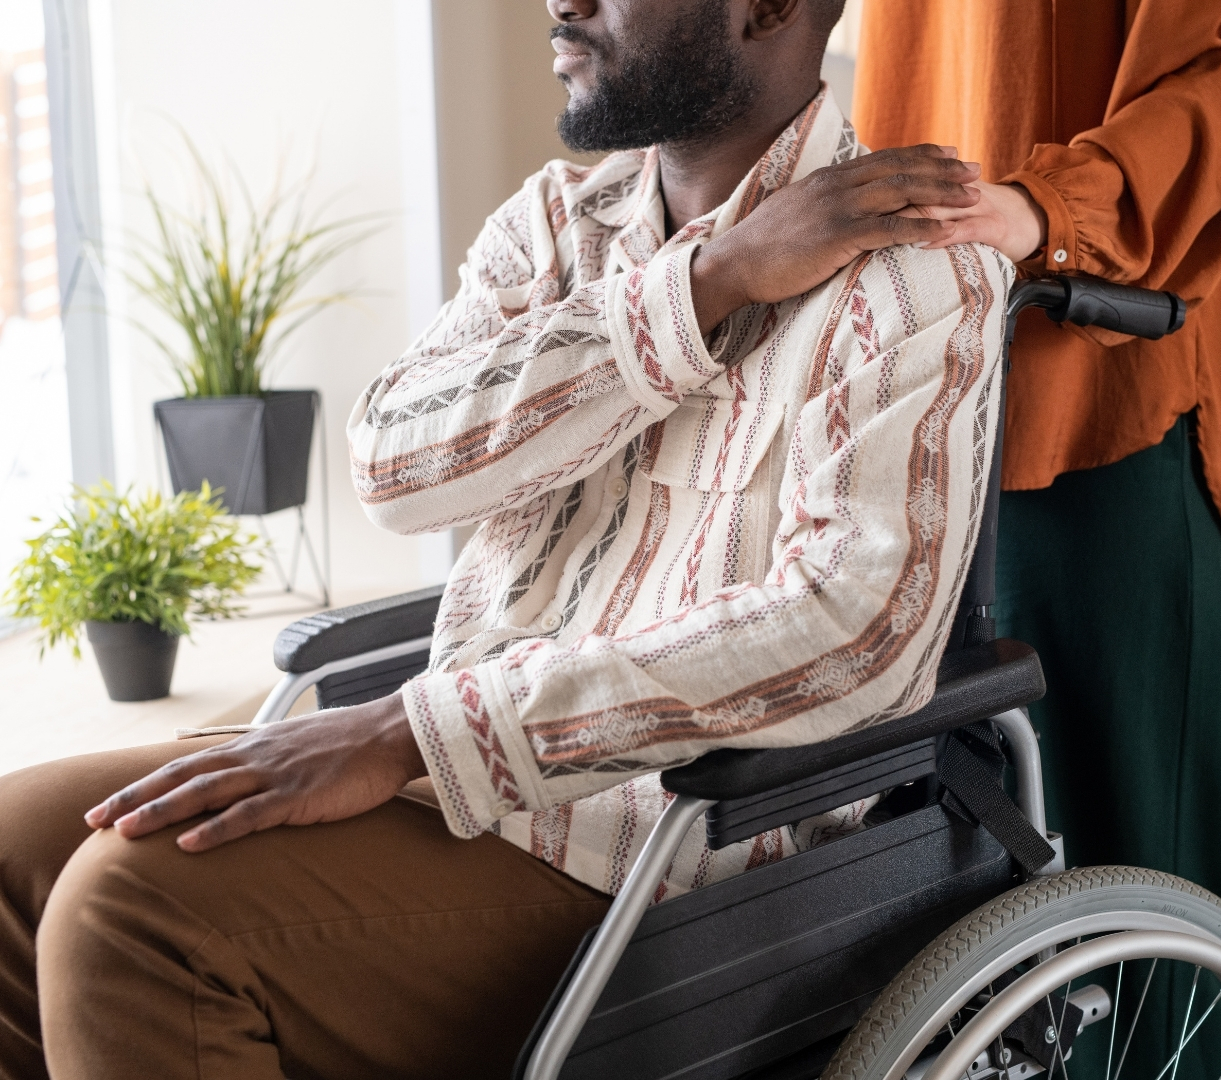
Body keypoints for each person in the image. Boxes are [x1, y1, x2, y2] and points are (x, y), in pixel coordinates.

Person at [0, 2, 1012, 1077]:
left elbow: (854, 629)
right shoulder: (552, 231)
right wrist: (707, 285)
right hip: (450, 794)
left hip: (669, 863)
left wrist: (407, 733)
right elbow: (393, 465)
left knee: (130, 915)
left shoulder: (917, 271)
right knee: (14, 845)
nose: (559, 2)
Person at [852, 2, 1221, 1076]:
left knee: (1140, 882)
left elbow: (1212, 77)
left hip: (1092, 380)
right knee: (959, 864)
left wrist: (1047, 206)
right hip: (927, 386)